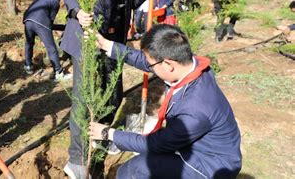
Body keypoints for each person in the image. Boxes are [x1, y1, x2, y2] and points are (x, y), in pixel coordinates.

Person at [60, 0, 159, 178]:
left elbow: (130, 4)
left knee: (113, 97)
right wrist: (78, 12)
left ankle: (99, 138)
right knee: (84, 101)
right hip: (86, 43)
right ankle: (76, 160)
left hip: (112, 45)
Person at [90, 24, 242, 179]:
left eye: (151, 65)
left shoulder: (194, 110)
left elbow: (156, 144)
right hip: (201, 147)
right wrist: (108, 45)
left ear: (168, 64)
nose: (149, 67)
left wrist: (109, 133)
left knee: (134, 169)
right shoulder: (189, 64)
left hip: (210, 166)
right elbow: (149, 61)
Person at [23, 0, 71, 80]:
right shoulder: (55, 2)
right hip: (41, 21)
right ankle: (59, 73)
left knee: (29, 43)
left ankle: (28, 65)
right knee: (51, 48)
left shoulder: (40, 0)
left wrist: (63, 27)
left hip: (27, 21)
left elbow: (48, 25)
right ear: (58, 0)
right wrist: (65, 27)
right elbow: (49, 23)